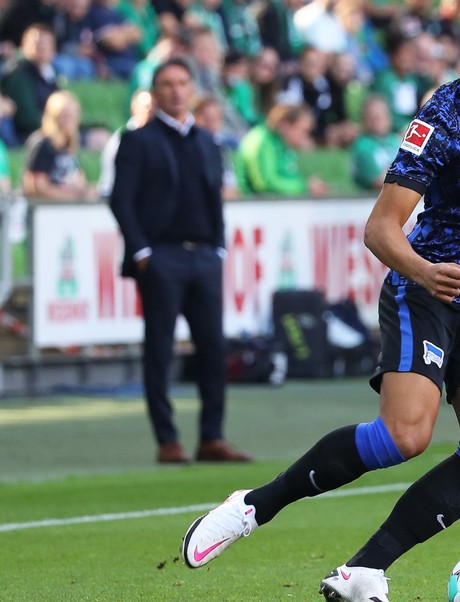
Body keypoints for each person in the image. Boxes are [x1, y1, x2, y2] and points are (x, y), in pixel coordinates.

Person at [180, 2, 460, 602]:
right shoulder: (443, 118)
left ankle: (363, 570)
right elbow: (381, 229)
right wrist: (424, 270)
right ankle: (254, 507)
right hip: (426, 289)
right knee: (405, 437)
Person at [109, 57, 251, 464]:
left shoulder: (208, 141)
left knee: (212, 348)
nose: (175, 90)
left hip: (204, 256)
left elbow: (214, 198)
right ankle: (167, 440)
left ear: (191, 89)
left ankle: (211, 438)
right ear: (154, 93)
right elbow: (121, 200)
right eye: (167, 84)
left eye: (182, 83)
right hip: (161, 257)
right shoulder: (137, 140)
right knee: (159, 350)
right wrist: (142, 253)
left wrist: (219, 247)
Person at [234, 102, 329, 197]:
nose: (306, 137)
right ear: (286, 125)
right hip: (250, 206)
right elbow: (265, 184)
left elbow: (289, 178)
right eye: (304, 131)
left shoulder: (283, 145)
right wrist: (305, 187)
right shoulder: (262, 140)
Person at [22, 90, 95, 202]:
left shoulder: (70, 145)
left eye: (74, 115)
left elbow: (79, 178)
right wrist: (72, 198)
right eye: (65, 115)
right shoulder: (43, 144)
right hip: (45, 209)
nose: (70, 120)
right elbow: (37, 186)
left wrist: (85, 191)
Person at [0, 23, 59, 144]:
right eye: (37, 43)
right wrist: (56, 128)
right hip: (28, 136)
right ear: (23, 45)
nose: (41, 47)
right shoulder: (18, 74)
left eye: (46, 44)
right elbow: (26, 119)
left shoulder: (49, 74)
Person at [97, 87, 152, 199]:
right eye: (146, 107)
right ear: (133, 109)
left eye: (154, 107)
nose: (150, 111)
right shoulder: (123, 139)